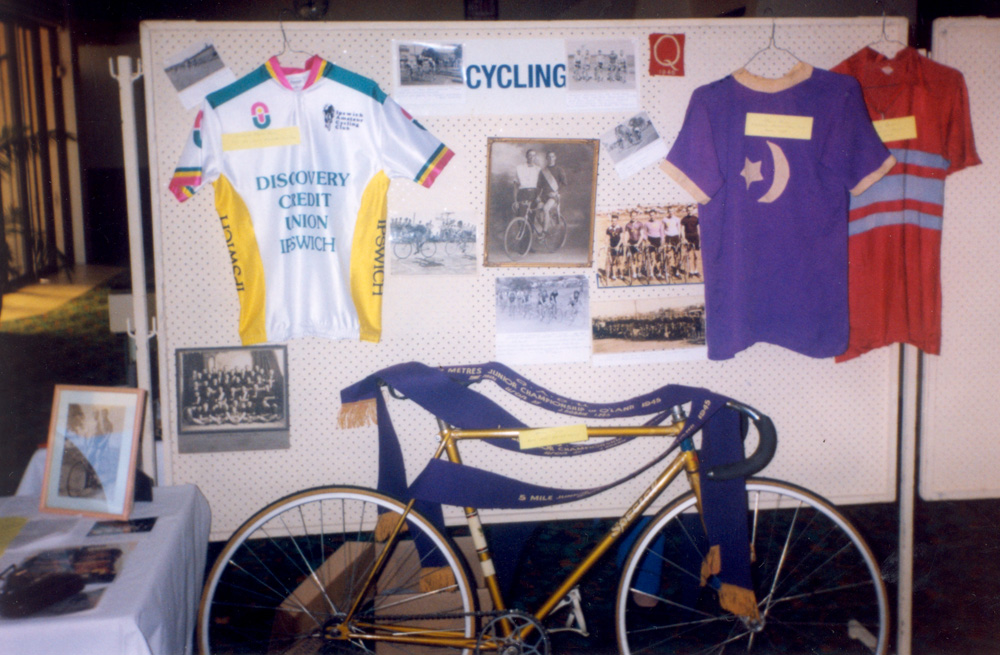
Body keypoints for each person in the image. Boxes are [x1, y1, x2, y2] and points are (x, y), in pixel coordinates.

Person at [537, 150, 567, 233]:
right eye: (549, 157)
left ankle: (544, 232)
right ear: (546, 158)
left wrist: (556, 192)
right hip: (544, 196)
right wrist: (538, 196)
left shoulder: (559, 170)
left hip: (554, 197)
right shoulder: (542, 171)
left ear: (555, 158)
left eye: (552, 157)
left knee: (545, 209)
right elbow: (539, 186)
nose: (551, 158)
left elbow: (564, 184)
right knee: (538, 212)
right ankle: (547, 227)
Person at [513, 149, 541, 218]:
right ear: (526, 156)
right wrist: (515, 200)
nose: (531, 157)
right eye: (530, 155)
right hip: (522, 194)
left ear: (535, 157)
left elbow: (540, 185)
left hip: (533, 194)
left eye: (533, 155)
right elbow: (515, 185)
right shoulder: (519, 168)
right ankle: (521, 229)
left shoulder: (538, 169)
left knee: (531, 218)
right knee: (521, 216)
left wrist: (538, 196)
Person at [642, 209, 666, 280]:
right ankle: (651, 274)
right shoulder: (646, 224)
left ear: (656, 215)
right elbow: (645, 234)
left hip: (658, 240)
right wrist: (646, 241)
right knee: (651, 258)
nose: (652, 216)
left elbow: (662, 234)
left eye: (653, 215)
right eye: (650, 215)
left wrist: (662, 242)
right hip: (650, 240)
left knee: (658, 258)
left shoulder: (660, 223)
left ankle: (659, 273)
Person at [680, 206, 701, 278]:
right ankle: (691, 271)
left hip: (695, 238)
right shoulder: (684, 219)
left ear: (693, 211)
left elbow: (698, 229)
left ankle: (696, 270)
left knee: (696, 255)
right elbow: (682, 230)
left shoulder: (696, 219)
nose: (690, 211)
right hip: (688, 238)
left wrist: (700, 239)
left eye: (691, 210)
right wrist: (684, 239)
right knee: (689, 255)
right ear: (686, 211)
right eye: (688, 210)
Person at [662, 208, 682, 279]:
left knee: (676, 255)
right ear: (668, 212)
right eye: (669, 211)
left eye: (672, 211)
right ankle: (668, 270)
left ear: (674, 211)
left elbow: (679, 229)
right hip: (668, 237)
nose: (670, 213)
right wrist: (663, 239)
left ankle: (677, 271)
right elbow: (663, 229)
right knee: (668, 254)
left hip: (675, 237)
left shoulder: (677, 219)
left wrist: (680, 237)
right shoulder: (664, 219)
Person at [606, 213, 624, 280]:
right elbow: (607, 238)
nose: (614, 222)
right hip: (612, 246)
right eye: (613, 221)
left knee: (620, 261)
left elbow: (622, 238)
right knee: (613, 261)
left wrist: (618, 246)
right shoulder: (609, 229)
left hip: (619, 246)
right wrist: (606, 246)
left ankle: (621, 274)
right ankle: (613, 274)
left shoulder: (620, 228)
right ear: (611, 221)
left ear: (617, 221)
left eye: (615, 221)